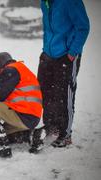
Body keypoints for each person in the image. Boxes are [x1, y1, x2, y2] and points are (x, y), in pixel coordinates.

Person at [38, 0, 90, 147]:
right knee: (45, 91)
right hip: (48, 53)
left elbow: (83, 27)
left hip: (67, 55)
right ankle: (51, 127)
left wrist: (73, 51)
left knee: (64, 94)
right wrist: (45, 48)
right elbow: (48, 28)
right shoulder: (45, 2)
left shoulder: (70, 1)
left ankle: (65, 134)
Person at [0, 52, 44, 157]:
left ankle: (1, 146)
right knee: (3, 132)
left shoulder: (11, 70)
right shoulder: (21, 69)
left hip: (24, 114)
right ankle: (31, 135)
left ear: (1, 65)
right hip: (31, 116)